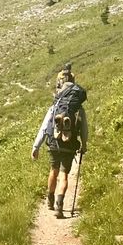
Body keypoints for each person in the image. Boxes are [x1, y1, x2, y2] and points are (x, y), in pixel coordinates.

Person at [32, 88, 88, 219]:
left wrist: (36, 147)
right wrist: (84, 145)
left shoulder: (55, 106)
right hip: (69, 145)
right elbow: (84, 129)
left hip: (53, 143)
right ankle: (59, 205)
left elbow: (44, 127)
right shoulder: (78, 108)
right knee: (63, 176)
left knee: (53, 171)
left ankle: (50, 200)